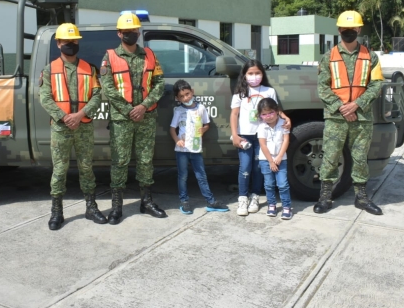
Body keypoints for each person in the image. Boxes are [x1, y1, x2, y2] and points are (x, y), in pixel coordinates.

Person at [315, 10, 384, 216]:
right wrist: (342, 107)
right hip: (336, 117)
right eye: (345, 29)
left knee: (360, 158)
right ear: (339, 30)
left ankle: (361, 198)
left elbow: (376, 84)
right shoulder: (328, 57)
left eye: (352, 28)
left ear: (359, 29)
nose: (348, 32)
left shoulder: (371, 56)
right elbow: (322, 87)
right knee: (330, 156)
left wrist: (356, 105)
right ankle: (325, 198)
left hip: (361, 117)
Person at [100, 12, 167, 225]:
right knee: (120, 161)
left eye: (135, 31)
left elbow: (159, 84)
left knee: (146, 160)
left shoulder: (149, 55)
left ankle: (146, 201)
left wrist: (143, 106)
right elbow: (107, 88)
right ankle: (117, 207)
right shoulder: (109, 56)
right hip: (122, 119)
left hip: (146, 117)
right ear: (119, 33)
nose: (132, 34)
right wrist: (129, 110)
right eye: (127, 32)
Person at [39, 23, 107, 230]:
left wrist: (79, 115)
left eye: (74, 41)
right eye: (67, 41)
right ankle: (56, 211)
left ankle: (91, 207)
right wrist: (65, 117)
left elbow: (97, 96)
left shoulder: (89, 69)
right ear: (58, 43)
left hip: (84, 126)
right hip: (61, 127)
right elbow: (45, 98)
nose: (71, 44)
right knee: (60, 170)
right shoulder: (49, 70)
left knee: (87, 168)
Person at [229, 60, 290, 216]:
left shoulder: (269, 91)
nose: (254, 76)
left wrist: (286, 118)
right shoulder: (240, 93)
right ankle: (242, 197)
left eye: (257, 73)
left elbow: (276, 110)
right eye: (250, 73)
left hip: (263, 137)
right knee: (245, 167)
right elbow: (234, 114)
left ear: (262, 74)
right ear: (244, 75)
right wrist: (235, 135)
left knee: (258, 168)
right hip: (245, 136)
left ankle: (255, 196)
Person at [169, 79, 229, 214]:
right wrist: (177, 140)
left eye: (187, 94)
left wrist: (204, 129)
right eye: (182, 96)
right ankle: (184, 201)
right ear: (177, 98)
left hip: (196, 148)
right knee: (182, 175)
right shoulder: (178, 110)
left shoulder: (201, 108)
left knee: (201, 175)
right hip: (182, 149)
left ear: (192, 92)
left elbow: (207, 124)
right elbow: (172, 129)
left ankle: (210, 201)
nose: (186, 98)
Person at [256, 98, 292, 220]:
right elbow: (263, 145)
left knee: (282, 184)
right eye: (264, 114)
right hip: (266, 160)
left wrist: (280, 156)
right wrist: (271, 161)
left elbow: (286, 140)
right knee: (269, 184)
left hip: (281, 159)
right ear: (260, 115)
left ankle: (286, 207)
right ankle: (272, 205)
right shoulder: (261, 127)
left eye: (271, 113)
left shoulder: (283, 123)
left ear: (277, 111)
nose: (268, 116)